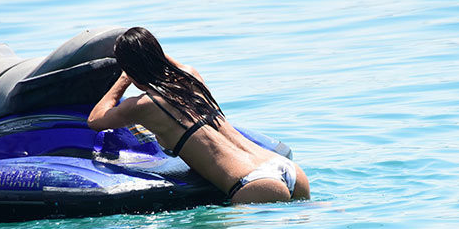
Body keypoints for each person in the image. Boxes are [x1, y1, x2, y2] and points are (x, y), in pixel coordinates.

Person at [88, 27, 310, 204]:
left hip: (255, 184)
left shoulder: (145, 104)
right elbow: (169, 64)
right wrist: (146, 48)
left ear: (129, 68)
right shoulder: (191, 77)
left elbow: (95, 120)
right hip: (285, 168)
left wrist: (123, 78)